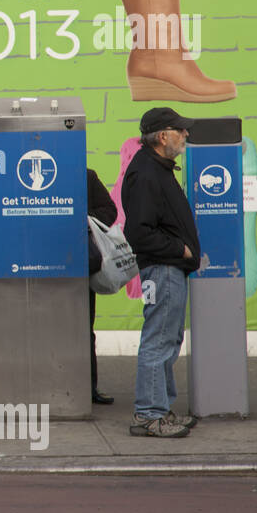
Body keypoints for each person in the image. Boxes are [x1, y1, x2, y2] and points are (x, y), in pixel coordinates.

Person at [120, 107, 201, 438]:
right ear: (162, 136)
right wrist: (178, 249)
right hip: (163, 268)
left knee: (168, 339)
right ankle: (149, 415)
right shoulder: (147, 174)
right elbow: (139, 232)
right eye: (180, 130)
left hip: (168, 269)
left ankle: (160, 410)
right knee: (159, 340)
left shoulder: (156, 169)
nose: (185, 135)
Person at [87, 169, 119, 405]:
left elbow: (109, 211)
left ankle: (89, 387)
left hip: (81, 262)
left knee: (84, 329)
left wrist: (78, 215)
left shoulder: (85, 176)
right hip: (42, 266)